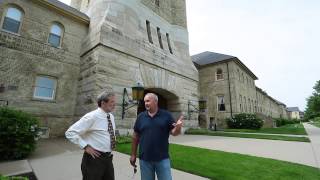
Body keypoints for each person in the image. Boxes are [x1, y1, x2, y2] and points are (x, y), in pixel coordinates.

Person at [130, 93, 183, 180]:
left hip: (162, 159)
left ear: (155, 101)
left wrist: (178, 127)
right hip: (145, 159)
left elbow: (174, 133)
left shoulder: (166, 115)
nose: (146, 103)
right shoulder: (141, 117)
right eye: (145, 101)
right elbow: (135, 136)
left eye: (148, 101)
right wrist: (133, 154)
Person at [65, 91, 117, 180]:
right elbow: (70, 132)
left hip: (108, 159)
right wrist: (85, 146)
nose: (114, 104)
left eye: (115, 102)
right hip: (94, 160)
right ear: (103, 103)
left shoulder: (111, 116)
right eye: (112, 102)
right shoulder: (92, 116)